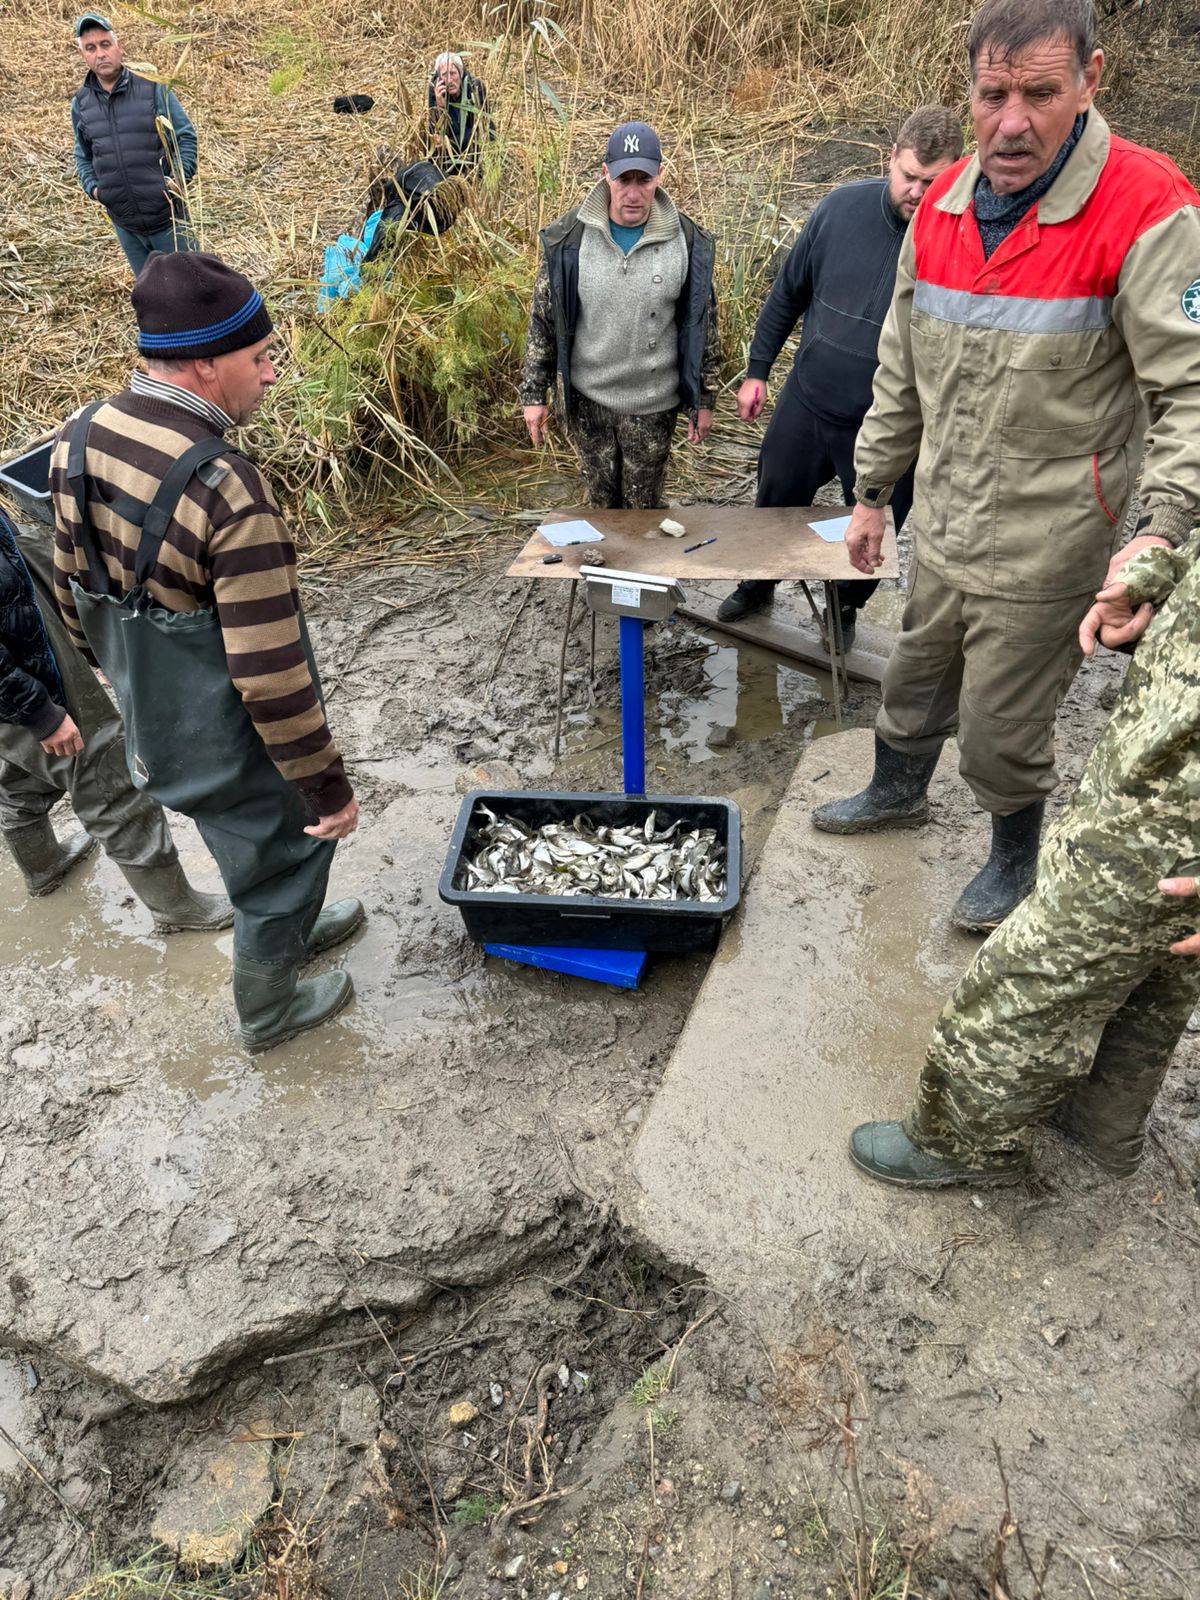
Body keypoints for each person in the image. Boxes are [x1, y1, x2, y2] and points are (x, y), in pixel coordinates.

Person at [812, 0, 1200, 933]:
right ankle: (896, 789)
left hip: (1055, 538)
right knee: (913, 675)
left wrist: (1157, 535)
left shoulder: (1150, 207)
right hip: (943, 517)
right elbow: (897, 373)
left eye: (1040, 93)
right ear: (971, 91)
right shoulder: (941, 209)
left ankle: (1011, 856)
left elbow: (1190, 396)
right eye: (993, 95)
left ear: (1090, 80)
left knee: (1002, 724)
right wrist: (869, 498)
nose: (1011, 122)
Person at [49, 253, 363, 1054]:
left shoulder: (79, 434)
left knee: (241, 835)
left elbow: (69, 595)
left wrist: (126, 682)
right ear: (202, 364)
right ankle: (268, 1006)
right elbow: (270, 671)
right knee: (288, 842)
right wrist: (327, 787)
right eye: (256, 358)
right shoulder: (224, 488)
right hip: (227, 722)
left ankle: (286, 927)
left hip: (153, 718)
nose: (269, 374)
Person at [848, 528, 1200, 1187]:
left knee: (1028, 974)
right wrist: (1162, 573)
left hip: (1173, 818)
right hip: (1164, 760)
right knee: (1158, 970)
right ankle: (1101, 1128)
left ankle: (960, 1142)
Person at [718, 107, 964, 648]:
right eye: (909, 176)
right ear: (890, 159)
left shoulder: (963, 242)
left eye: (933, 181)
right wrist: (757, 371)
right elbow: (787, 293)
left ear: (958, 171)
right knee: (774, 504)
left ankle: (843, 607)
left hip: (888, 424)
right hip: (808, 402)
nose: (918, 192)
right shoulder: (840, 209)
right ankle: (758, 584)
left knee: (875, 531)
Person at [0, 506, 231, 931]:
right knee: (106, 774)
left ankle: (43, 865)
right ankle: (176, 908)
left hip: (17, 626)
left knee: (17, 770)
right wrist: (36, 710)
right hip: (17, 671)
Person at [520, 121, 722, 510]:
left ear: (660, 175)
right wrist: (534, 395)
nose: (632, 193)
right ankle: (599, 572)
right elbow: (544, 321)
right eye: (623, 179)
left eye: (643, 179)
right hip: (587, 401)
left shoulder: (688, 242)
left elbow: (703, 326)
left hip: (653, 406)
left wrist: (704, 399)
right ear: (605, 175)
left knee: (643, 512)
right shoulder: (569, 239)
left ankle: (640, 571)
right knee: (601, 508)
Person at [71, 12, 197, 276]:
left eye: (105, 44)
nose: (100, 54)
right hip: (126, 226)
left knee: (191, 289)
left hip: (168, 221)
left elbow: (184, 136)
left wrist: (177, 181)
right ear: (83, 55)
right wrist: (95, 190)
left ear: (119, 47)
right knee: (152, 298)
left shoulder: (152, 88)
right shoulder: (80, 104)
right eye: (90, 48)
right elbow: (82, 155)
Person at [426, 51, 493, 177]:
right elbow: (434, 134)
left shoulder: (475, 87)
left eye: (453, 73)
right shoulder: (435, 90)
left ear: (461, 73)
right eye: (445, 75)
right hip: (450, 151)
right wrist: (439, 108)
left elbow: (484, 130)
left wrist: (450, 142)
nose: (450, 80)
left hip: (473, 146)